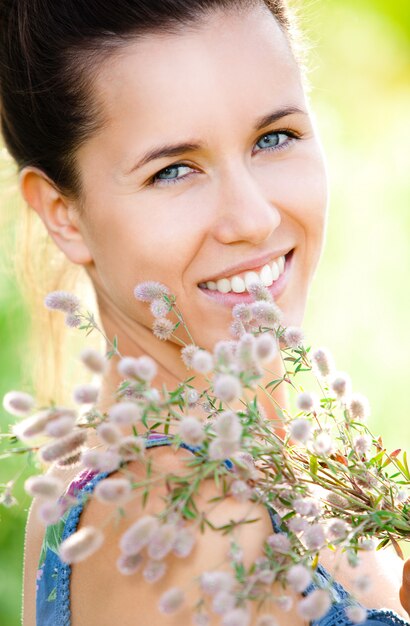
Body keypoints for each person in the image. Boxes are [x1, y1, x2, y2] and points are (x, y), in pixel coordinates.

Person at [0, 1, 409, 624]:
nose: (255, 219)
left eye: (274, 138)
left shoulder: (97, 489)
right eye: (173, 171)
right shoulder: (199, 523)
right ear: (63, 213)